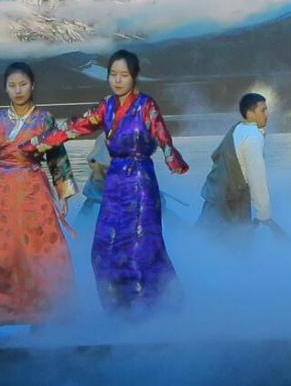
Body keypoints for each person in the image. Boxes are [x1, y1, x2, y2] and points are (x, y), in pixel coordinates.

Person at [24, 50, 189, 313]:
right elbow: (75, 126)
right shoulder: (107, 106)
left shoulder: (146, 105)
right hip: (115, 182)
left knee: (141, 246)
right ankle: (120, 309)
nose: (118, 80)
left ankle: (158, 308)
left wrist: (172, 158)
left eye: (124, 75)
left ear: (134, 76)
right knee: (103, 247)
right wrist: (38, 143)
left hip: (140, 181)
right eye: (113, 74)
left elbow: (161, 134)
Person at [0, 63, 77, 338]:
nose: (18, 90)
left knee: (41, 252)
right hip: (4, 194)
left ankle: (43, 316)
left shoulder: (44, 120)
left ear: (33, 85)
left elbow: (57, 157)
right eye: (12, 85)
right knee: (1, 254)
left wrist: (63, 193)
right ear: (6, 88)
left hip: (34, 192)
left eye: (23, 84)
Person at [200, 93, 286, 239]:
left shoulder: (237, 128)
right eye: (263, 110)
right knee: (238, 244)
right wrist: (263, 213)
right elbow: (257, 177)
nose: (267, 115)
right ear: (250, 113)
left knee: (206, 239)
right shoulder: (253, 137)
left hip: (215, 194)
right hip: (232, 199)